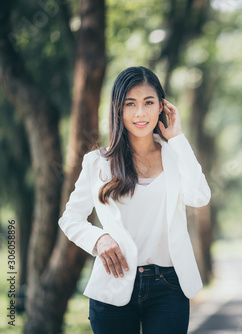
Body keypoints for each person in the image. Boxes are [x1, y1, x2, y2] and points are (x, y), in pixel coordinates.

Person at [58, 66, 211, 333]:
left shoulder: (176, 155)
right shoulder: (97, 163)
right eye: (131, 104)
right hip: (114, 282)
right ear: (118, 109)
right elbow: (70, 218)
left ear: (161, 107)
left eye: (148, 103)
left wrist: (178, 139)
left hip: (169, 286)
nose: (140, 113)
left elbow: (199, 197)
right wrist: (98, 239)